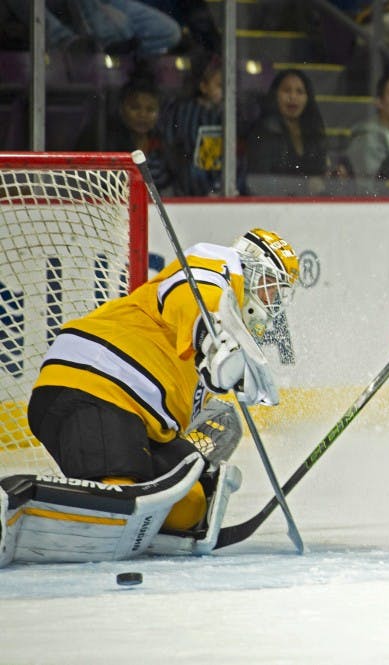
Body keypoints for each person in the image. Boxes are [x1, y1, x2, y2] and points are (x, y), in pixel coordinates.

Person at [9, 229, 299, 564]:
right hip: (97, 381)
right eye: (271, 284)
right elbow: (194, 297)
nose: (273, 299)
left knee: (191, 503)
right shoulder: (219, 261)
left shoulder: (231, 341)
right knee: (121, 493)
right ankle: (21, 505)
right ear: (251, 267)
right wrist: (213, 337)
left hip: (140, 416)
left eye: (280, 292)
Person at [77, 75, 175, 194]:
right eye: (135, 107)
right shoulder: (103, 141)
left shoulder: (164, 143)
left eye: (150, 110)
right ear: (122, 108)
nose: (143, 115)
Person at [245, 68, 331, 196]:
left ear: (308, 98)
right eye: (286, 91)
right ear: (275, 95)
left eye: (300, 92)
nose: (293, 97)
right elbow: (259, 182)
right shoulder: (263, 131)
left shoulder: (313, 130)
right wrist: (305, 186)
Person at [3, 0, 181, 55]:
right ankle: (67, 40)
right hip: (50, 11)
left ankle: (117, 49)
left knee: (169, 31)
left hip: (101, 5)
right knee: (122, 28)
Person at [161, 51, 223, 196]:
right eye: (220, 85)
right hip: (185, 187)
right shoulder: (183, 112)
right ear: (203, 86)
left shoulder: (225, 115)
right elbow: (172, 149)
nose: (225, 91)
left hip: (216, 187)